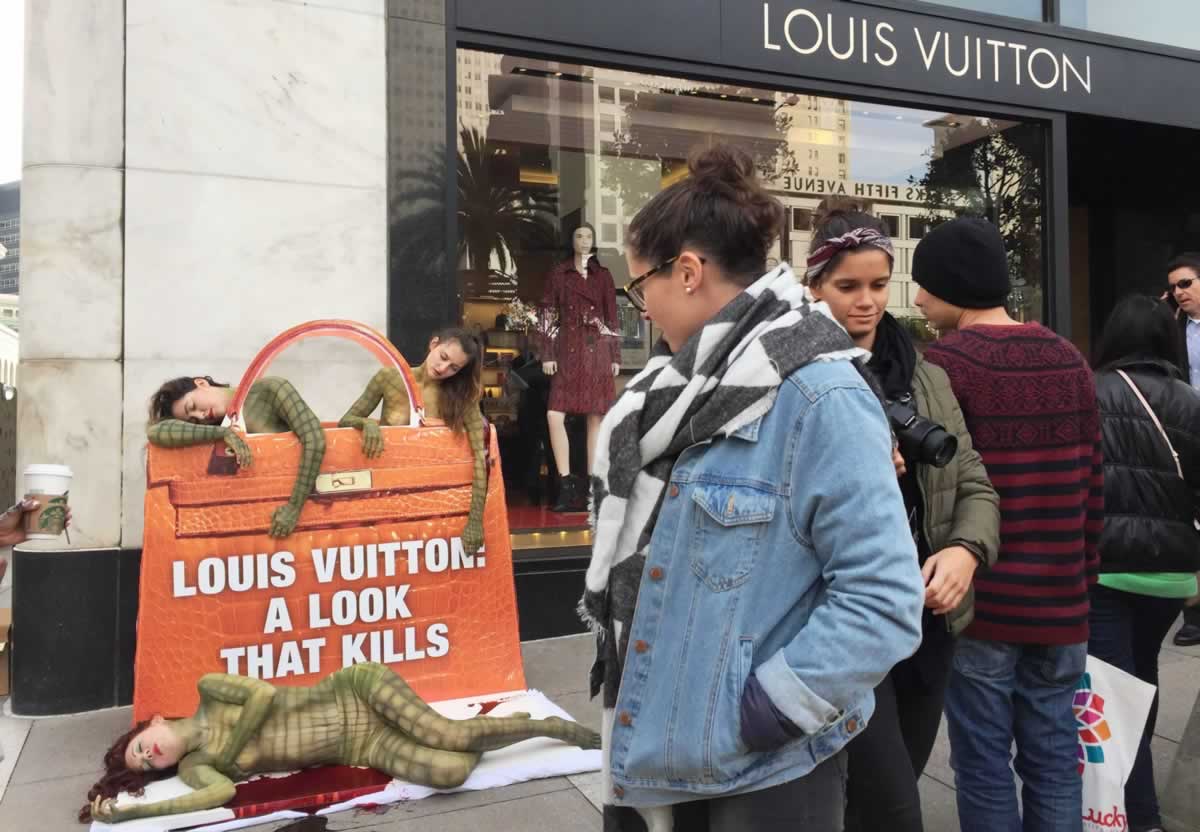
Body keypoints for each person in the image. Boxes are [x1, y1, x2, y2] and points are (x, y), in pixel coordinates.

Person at [581, 143, 924, 831]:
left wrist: (769, 705)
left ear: (686, 273)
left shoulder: (820, 393)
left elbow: (884, 596)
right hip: (651, 744)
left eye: (638, 282)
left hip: (762, 769)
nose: (639, 305)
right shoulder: (665, 396)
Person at [803, 210, 1000, 832]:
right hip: (843, 620)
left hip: (928, 618)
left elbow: (975, 482)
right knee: (894, 809)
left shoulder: (927, 375)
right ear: (814, 288)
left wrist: (966, 551)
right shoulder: (790, 377)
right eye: (848, 287)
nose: (867, 302)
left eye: (879, 284)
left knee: (892, 787)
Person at [913, 216, 1104, 832]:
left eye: (924, 285)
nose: (915, 299)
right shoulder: (1068, 358)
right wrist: (1083, 582)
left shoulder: (943, 366)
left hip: (980, 604)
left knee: (984, 762)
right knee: (1054, 760)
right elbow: (1091, 484)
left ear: (953, 285)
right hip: (1062, 606)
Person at [80, 663, 599, 824]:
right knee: (451, 771)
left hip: (354, 693)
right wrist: (130, 815)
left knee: (452, 734)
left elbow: (262, 695)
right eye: (144, 765)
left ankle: (551, 729)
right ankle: (495, 732)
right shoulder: (198, 767)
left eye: (141, 746)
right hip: (359, 746)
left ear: (151, 722)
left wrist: (236, 744)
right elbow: (218, 797)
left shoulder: (209, 693)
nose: (149, 756)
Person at [1090, 294, 1200, 832]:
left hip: (1102, 569)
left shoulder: (1088, 391)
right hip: (1168, 574)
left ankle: (1137, 817)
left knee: (1110, 698)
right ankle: (1132, 805)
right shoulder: (1190, 401)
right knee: (1142, 679)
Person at [339, 328, 487, 553]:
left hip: (434, 499)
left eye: (454, 368)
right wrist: (366, 423)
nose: (443, 368)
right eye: (443, 357)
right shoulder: (389, 378)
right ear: (433, 344)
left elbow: (480, 457)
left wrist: (475, 521)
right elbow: (345, 421)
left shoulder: (462, 398)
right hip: (386, 494)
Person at [147, 375, 325, 538]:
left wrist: (293, 508)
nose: (200, 416)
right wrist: (221, 433)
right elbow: (156, 432)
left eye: (192, 406)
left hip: (305, 513)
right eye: (194, 421)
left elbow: (315, 439)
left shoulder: (268, 390)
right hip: (257, 525)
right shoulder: (219, 428)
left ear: (201, 383)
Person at [1165, 252, 1200, 647]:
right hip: (1188, 433)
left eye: (1185, 284)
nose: (1178, 292)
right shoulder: (1173, 330)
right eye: (1174, 287)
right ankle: (1194, 614)